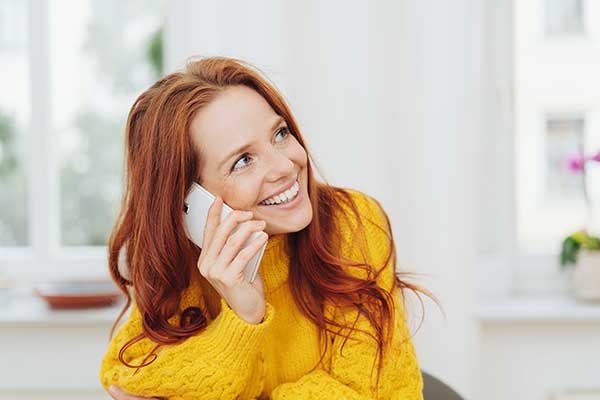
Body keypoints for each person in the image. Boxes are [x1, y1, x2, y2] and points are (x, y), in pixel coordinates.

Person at [99, 56, 432, 399]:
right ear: (189, 201)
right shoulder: (188, 265)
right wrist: (243, 317)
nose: (285, 166)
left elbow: (361, 391)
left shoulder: (352, 222)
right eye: (243, 161)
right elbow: (122, 376)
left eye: (280, 134)